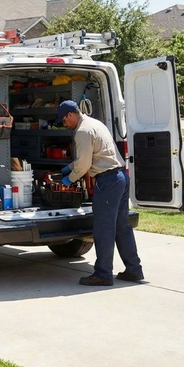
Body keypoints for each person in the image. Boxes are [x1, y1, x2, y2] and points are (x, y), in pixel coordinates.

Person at [56, 100, 144, 286]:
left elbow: (84, 164)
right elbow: (95, 153)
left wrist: (69, 178)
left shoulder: (82, 131)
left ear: (71, 115)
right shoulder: (95, 123)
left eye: (64, 121)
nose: (65, 125)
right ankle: (134, 269)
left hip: (107, 181)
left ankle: (103, 273)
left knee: (103, 228)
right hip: (120, 176)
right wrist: (69, 167)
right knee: (122, 227)